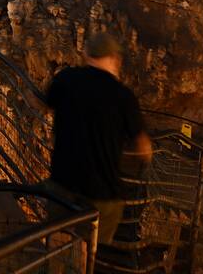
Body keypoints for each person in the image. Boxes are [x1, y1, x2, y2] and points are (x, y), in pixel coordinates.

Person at [42, 31, 152, 245]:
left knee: (55, 243)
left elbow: (45, 104)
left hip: (62, 182)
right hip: (101, 194)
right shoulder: (124, 97)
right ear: (114, 59)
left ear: (86, 54)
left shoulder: (66, 79)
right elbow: (143, 147)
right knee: (89, 251)